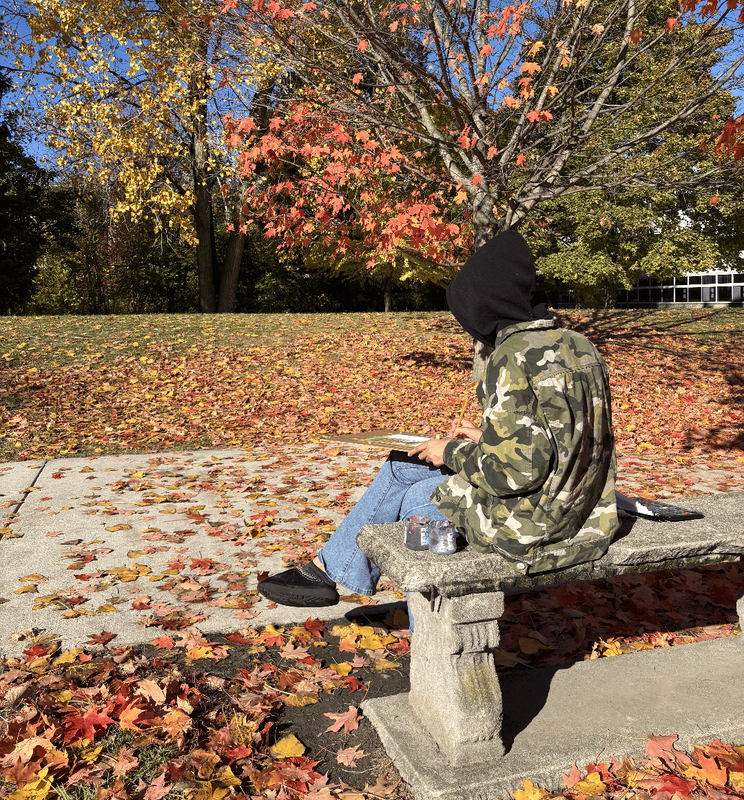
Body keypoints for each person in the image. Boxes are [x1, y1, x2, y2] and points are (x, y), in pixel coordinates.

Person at [257, 230, 619, 608]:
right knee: (402, 464)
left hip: (535, 529)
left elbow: (514, 475)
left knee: (418, 504)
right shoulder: (579, 344)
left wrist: (452, 452)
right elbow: (565, 438)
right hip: (583, 510)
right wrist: (486, 438)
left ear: (484, 304)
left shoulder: (512, 356)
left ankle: (429, 641)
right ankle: (328, 570)